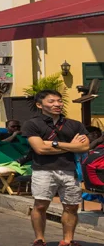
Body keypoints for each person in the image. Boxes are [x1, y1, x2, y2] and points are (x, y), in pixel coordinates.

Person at [22, 89, 90, 246]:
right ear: (40, 105)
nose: (57, 104)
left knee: (72, 206)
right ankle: (40, 239)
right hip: (43, 169)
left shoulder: (74, 124)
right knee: (40, 205)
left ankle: (68, 240)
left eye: (59, 101)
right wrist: (72, 146)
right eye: (51, 101)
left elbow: (85, 146)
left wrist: (53, 143)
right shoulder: (32, 124)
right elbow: (40, 149)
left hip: (70, 170)